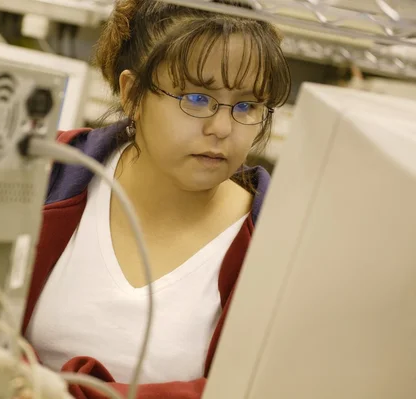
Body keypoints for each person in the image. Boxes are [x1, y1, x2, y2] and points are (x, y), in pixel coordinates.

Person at [20, 0, 291, 398]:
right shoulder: (41, 176)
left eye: (247, 105)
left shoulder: (276, 244)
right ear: (132, 94)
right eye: (197, 98)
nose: (221, 128)